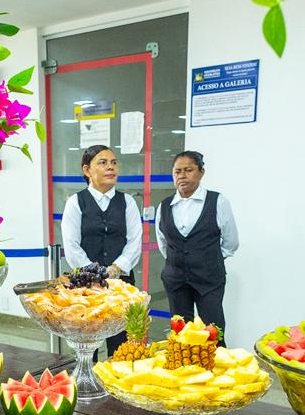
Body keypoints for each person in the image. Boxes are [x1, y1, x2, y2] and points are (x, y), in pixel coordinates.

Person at [60, 144, 144, 355]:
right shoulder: (76, 202)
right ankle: (89, 384)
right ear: (87, 170)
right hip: (85, 286)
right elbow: (71, 244)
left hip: (121, 284)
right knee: (88, 344)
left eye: (114, 163)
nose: (111, 167)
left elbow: (135, 241)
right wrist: (93, 273)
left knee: (122, 346)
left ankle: (118, 386)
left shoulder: (128, 202)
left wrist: (117, 268)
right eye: (103, 163)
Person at [155, 150, 238, 337]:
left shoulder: (217, 201)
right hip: (175, 279)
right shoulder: (165, 205)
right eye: (177, 171)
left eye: (188, 170)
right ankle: (186, 366)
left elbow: (231, 241)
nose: (182, 176)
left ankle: (216, 364)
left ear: (201, 172)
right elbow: (163, 242)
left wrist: (209, 258)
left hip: (209, 278)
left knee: (213, 331)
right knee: (181, 333)